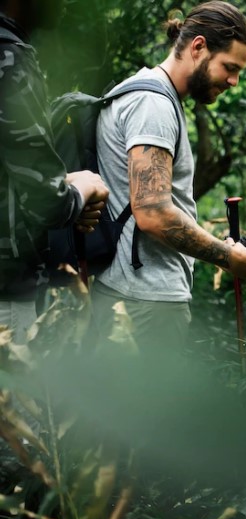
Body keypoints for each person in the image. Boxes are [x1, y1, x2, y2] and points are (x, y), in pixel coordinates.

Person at [89, 1, 246, 354]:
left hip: (134, 294)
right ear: (198, 47)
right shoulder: (152, 105)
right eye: (230, 67)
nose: (234, 81)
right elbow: (153, 213)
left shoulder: (151, 95)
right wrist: (226, 256)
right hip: (145, 300)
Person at [0, 0, 109, 344]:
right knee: (18, 397)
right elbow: (46, 203)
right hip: (7, 290)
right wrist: (84, 188)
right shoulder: (11, 58)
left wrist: (64, 183)